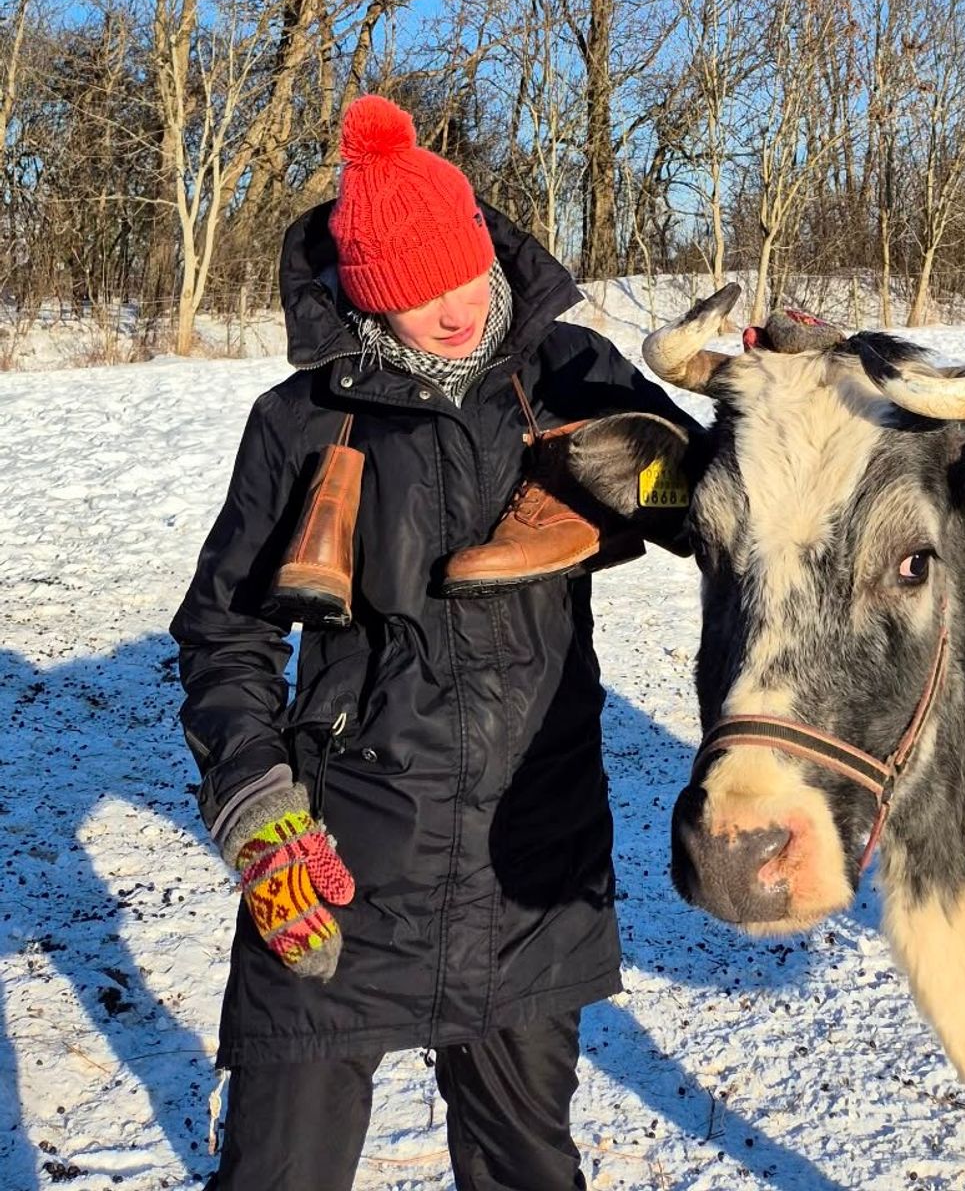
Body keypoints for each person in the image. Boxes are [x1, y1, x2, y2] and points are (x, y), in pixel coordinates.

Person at [172, 96, 693, 1191]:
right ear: (362, 294)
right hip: (346, 856)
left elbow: (714, 508)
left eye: (452, 275)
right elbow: (225, 632)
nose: (445, 310)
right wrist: (257, 800)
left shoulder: (570, 373)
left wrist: (779, 402)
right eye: (405, 295)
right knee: (277, 1173)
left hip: (529, 856)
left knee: (528, 1171)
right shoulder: (300, 419)